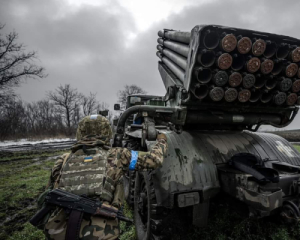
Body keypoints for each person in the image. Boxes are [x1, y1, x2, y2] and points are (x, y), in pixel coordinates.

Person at [42, 114, 167, 240]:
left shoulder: (63, 160)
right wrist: (162, 140)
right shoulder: (118, 155)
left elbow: (46, 198)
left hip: (58, 233)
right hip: (102, 234)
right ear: (107, 132)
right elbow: (154, 159)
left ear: (79, 133)